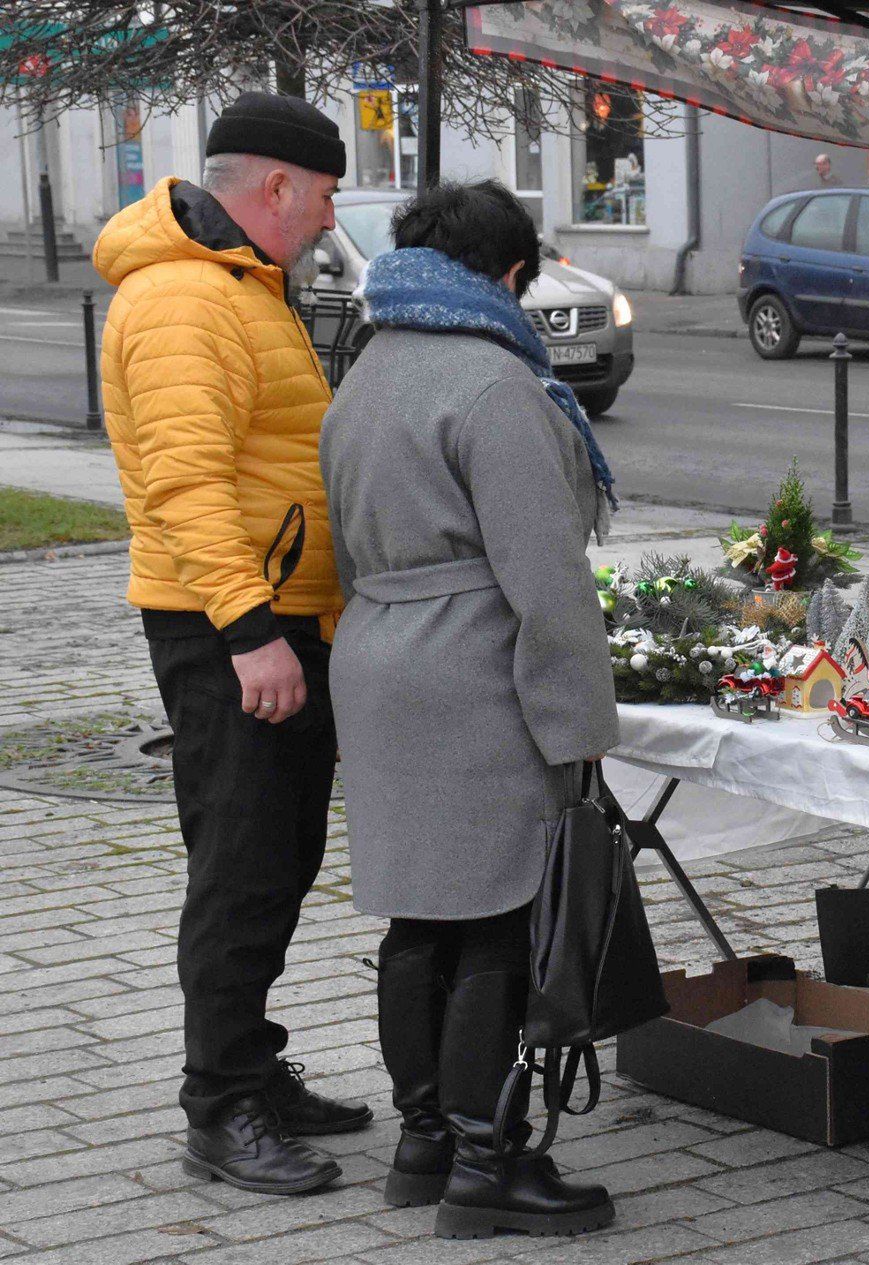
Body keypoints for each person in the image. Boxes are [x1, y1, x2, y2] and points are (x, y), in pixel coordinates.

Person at [322, 180, 622, 1239]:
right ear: (505, 275)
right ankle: (489, 1160)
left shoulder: (367, 367)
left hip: (380, 656)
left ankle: (426, 1142)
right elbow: (546, 578)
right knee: (498, 913)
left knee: (418, 914)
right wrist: (582, 727)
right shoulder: (494, 384)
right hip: (470, 668)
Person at [93, 91, 368, 1197]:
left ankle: (253, 1064)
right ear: (277, 188)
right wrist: (254, 632)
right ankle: (222, 1104)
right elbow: (187, 481)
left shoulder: (243, 285)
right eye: (327, 194)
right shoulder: (182, 300)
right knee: (242, 867)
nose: (330, 217)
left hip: (278, 619)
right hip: (230, 630)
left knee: (279, 858)